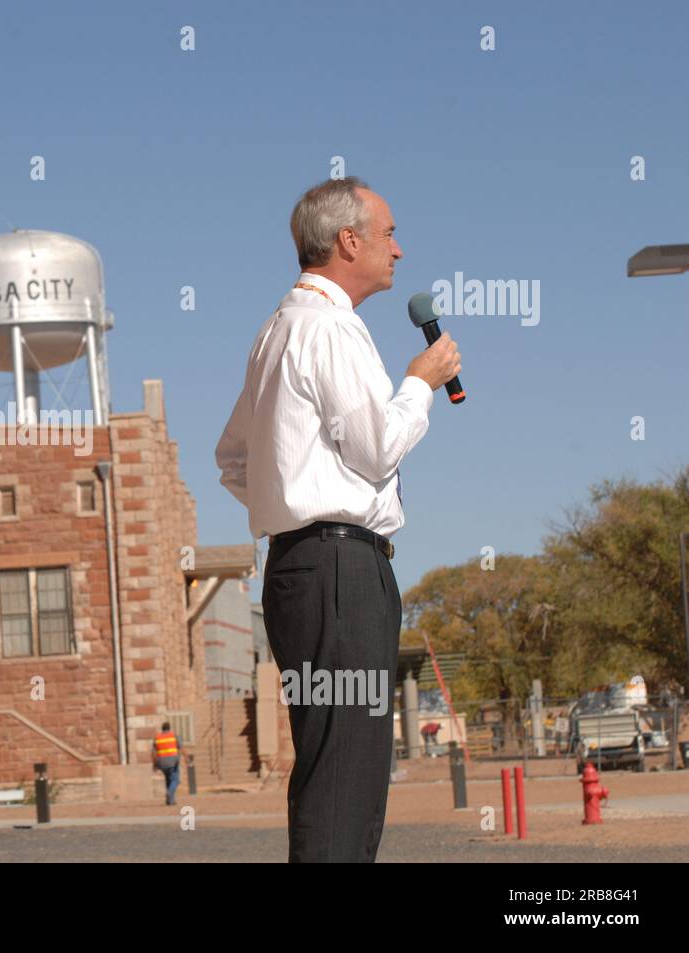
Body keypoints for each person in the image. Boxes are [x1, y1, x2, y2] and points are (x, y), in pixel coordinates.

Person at [214, 177, 460, 862]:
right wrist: (421, 381)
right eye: (387, 234)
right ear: (348, 241)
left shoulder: (278, 329)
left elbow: (234, 460)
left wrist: (290, 498)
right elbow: (378, 446)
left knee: (333, 763)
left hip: (300, 567)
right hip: (338, 571)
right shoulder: (329, 326)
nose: (399, 250)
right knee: (345, 773)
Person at [152, 722, 183, 806]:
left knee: (168, 780)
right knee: (175, 780)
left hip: (161, 763)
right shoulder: (174, 735)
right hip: (173, 762)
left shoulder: (157, 738)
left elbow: (154, 753)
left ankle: (170, 801)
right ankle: (169, 793)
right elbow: (181, 748)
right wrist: (186, 758)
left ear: (162, 729)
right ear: (169, 728)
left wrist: (154, 764)